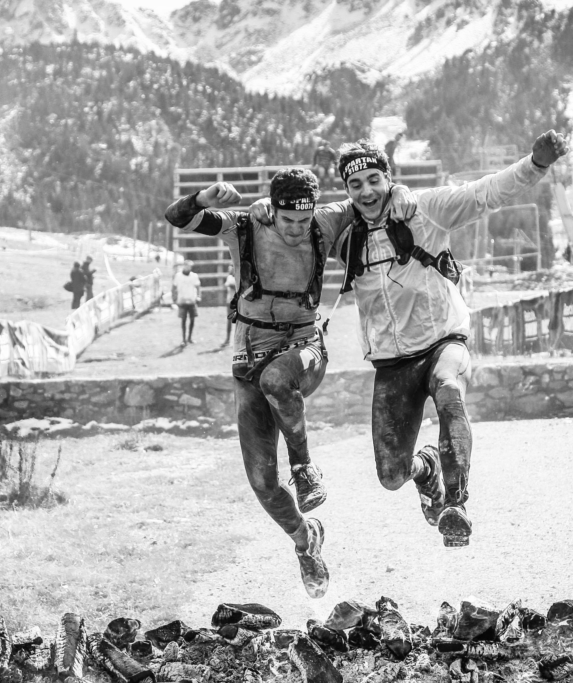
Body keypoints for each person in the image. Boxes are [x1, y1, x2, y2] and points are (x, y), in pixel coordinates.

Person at [254, 131, 568, 548]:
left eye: (373, 180)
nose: (366, 191)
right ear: (347, 191)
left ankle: (455, 503)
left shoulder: (427, 208)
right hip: (391, 363)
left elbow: (485, 193)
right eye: (355, 184)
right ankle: (428, 468)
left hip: (443, 341)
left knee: (449, 389)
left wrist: (536, 164)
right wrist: (264, 209)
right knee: (390, 476)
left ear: (388, 177)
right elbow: (295, 225)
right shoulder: (345, 233)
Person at [165, 169, 415, 599]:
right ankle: (305, 539)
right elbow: (179, 218)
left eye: (304, 221)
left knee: (278, 379)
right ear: (271, 210)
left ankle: (304, 468)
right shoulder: (246, 224)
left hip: (303, 350)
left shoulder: (326, 219)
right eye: (288, 221)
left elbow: (377, 198)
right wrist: (205, 196)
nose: (298, 230)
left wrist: (403, 191)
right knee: (261, 482)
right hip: (249, 356)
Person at [172, 260, 202, 345]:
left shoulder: (194, 276)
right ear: (184, 266)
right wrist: (174, 298)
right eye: (187, 266)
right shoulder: (178, 276)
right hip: (182, 301)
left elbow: (198, 287)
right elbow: (174, 287)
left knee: (192, 320)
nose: (188, 268)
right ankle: (183, 339)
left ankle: (190, 338)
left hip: (192, 300)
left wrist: (198, 296)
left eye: (190, 266)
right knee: (183, 320)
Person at [222, 263, 236, 347]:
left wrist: (230, 285)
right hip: (230, 301)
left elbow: (237, 287)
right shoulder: (229, 277)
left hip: (238, 302)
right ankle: (228, 339)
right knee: (229, 321)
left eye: (230, 268)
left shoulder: (239, 277)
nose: (229, 270)